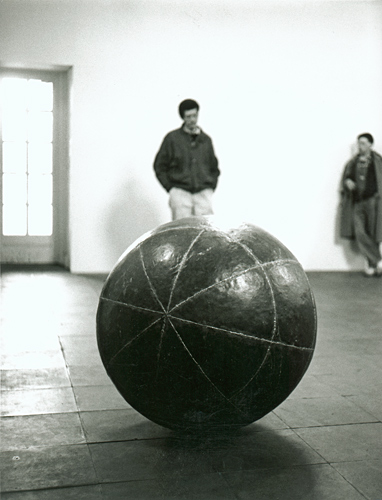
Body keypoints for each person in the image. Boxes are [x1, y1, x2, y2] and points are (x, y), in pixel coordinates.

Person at [154, 99, 220, 220]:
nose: (192, 120)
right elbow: (159, 166)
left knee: (206, 232)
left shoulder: (206, 140)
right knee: (182, 233)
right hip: (181, 194)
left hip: (203, 194)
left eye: (195, 115)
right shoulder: (172, 139)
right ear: (183, 117)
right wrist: (171, 188)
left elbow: (214, 167)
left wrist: (210, 187)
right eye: (188, 116)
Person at [340, 133, 382, 276]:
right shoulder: (353, 162)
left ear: (370, 144)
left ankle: (372, 265)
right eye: (359, 143)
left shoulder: (378, 161)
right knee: (359, 233)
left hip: (373, 202)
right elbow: (346, 178)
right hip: (357, 202)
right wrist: (348, 182)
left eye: (363, 143)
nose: (360, 146)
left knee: (373, 232)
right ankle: (378, 261)